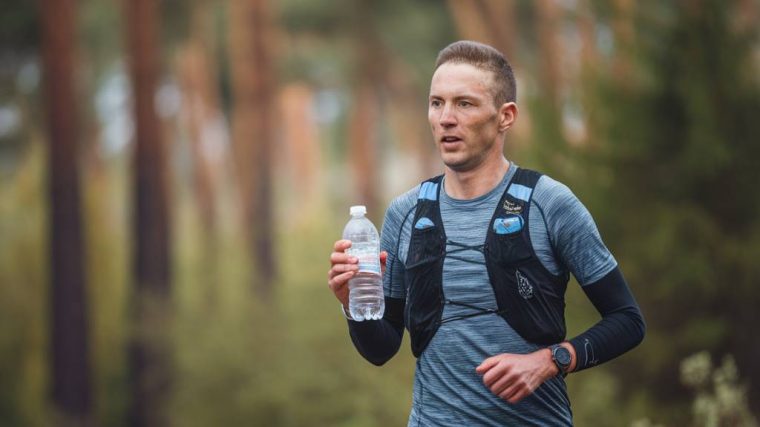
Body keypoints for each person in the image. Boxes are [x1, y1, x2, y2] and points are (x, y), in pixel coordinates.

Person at [327, 40, 645, 426]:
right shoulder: (405, 213)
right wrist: (352, 305)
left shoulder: (549, 203)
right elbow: (381, 347)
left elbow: (627, 320)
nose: (446, 118)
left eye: (464, 104)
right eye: (436, 103)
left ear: (505, 116)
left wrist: (550, 360)